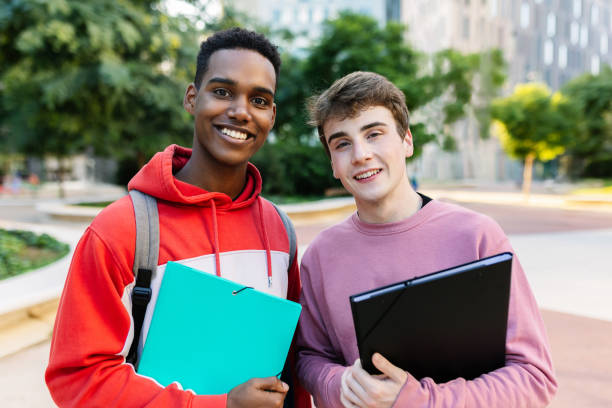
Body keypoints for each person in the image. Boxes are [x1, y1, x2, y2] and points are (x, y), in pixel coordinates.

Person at [46, 28, 310, 408]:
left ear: (272, 115)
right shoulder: (123, 229)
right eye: (222, 91)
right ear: (191, 98)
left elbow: (290, 365)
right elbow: (78, 379)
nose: (240, 110)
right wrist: (220, 405)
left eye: (259, 99)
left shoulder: (279, 229)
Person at [295, 71, 557, 408]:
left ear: (406, 141)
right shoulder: (321, 256)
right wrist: (338, 383)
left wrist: (416, 400)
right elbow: (310, 357)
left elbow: (533, 377)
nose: (360, 154)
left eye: (374, 134)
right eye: (342, 143)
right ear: (333, 163)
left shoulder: (476, 236)